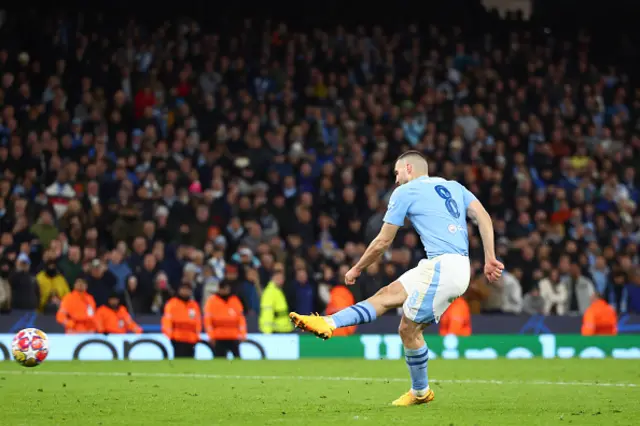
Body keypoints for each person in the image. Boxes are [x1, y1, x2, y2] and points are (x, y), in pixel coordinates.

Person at [290, 151, 503, 406]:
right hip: (446, 265)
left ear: (409, 168)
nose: (396, 179)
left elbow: (382, 241)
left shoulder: (404, 192)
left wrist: (357, 267)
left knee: (407, 329)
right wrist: (489, 256)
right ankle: (329, 323)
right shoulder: (454, 187)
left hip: (444, 268)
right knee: (386, 295)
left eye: (397, 172)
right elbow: (483, 216)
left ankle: (420, 392)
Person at [204, 281, 246, 358]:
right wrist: (211, 336)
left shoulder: (235, 300)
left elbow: (241, 319)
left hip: (233, 336)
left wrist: (242, 334)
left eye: (226, 289)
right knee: (219, 359)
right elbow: (208, 321)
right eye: (223, 289)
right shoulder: (212, 301)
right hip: (218, 336)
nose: (225, 291)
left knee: (237, 358)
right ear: (219, 289)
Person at [161, 283, 202, 358]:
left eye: (187, 290)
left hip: (191, 338)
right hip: (177, 337)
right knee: (179, 360)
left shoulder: (194, 305)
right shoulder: (172, 303)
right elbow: (167, 321)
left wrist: (197, 336)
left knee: (190, 361)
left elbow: (198, 322)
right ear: (179, 290)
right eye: (183, 289)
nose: (185, 292)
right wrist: (170, 336)